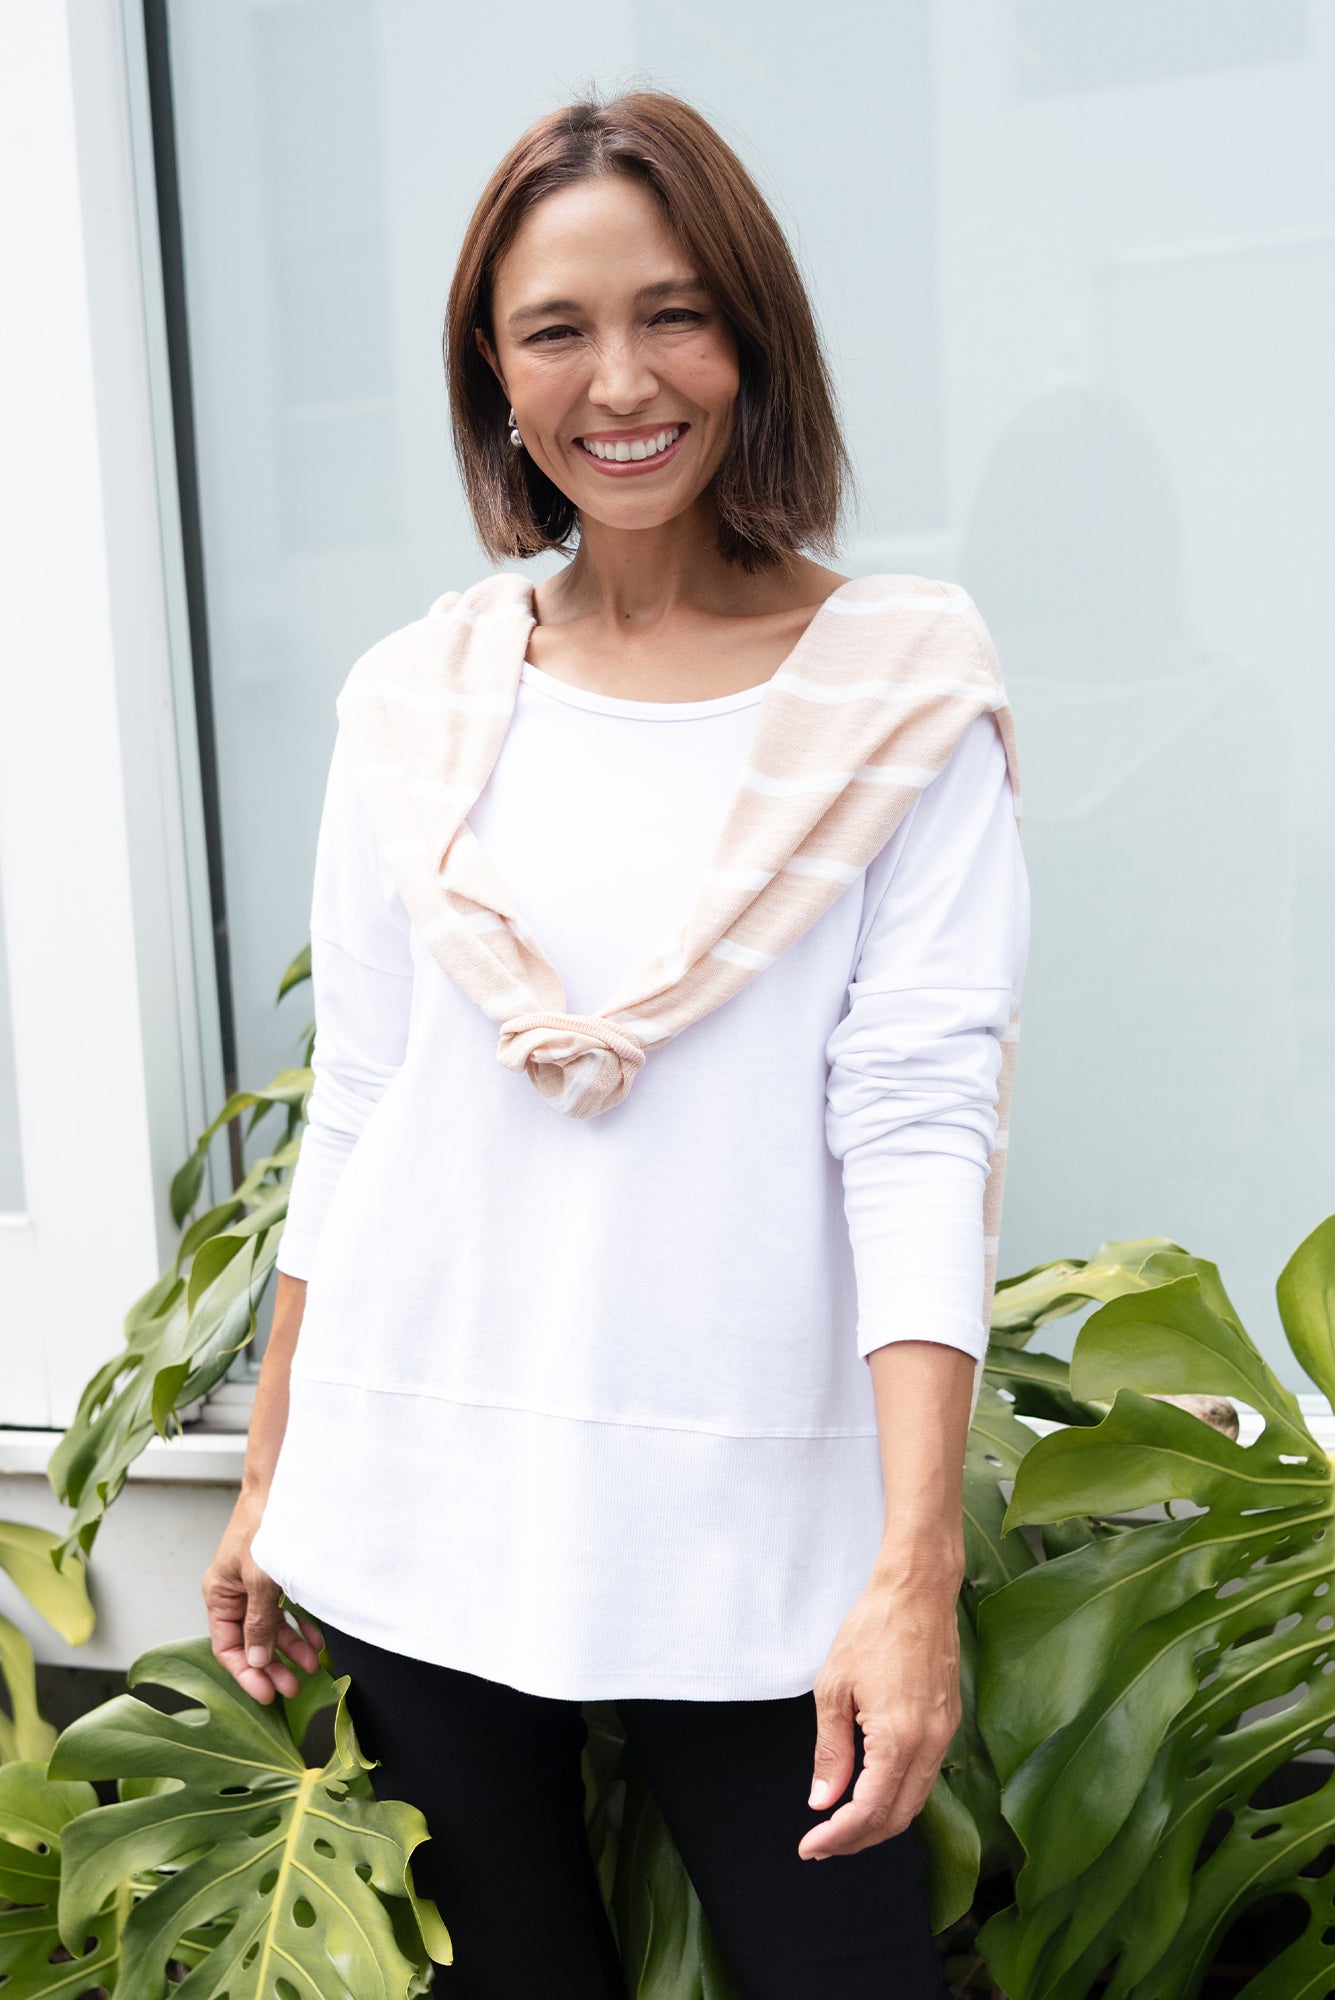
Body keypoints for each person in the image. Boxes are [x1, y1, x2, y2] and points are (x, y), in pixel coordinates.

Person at [203, 86, 1030, 2000]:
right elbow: (366, 1109)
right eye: (555, 330)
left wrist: (912, 1570)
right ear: (494, 379)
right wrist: (269, 1477)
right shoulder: (417, 701)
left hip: (764, 1535)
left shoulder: (901, 687)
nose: (623, 381)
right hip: (422, 1494)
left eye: (674, 314)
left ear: (753, 336)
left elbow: (919, 1128)